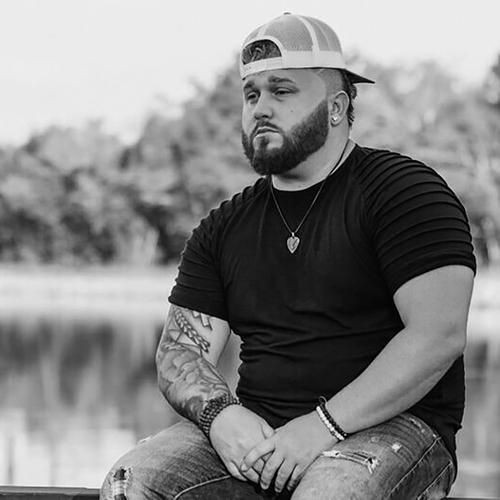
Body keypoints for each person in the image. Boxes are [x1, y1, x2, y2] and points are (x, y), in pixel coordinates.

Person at [100, 13, 476, 500]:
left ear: (337, 106)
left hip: (397, 430)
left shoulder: (404, 192)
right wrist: (221, 416)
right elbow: (180, 351)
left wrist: (321, 428)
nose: (261, 108)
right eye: (252, 94)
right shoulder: (224, 226)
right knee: (135, 482)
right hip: (264, 433)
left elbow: (437, 335)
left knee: (329, 492)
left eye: (282, 91)